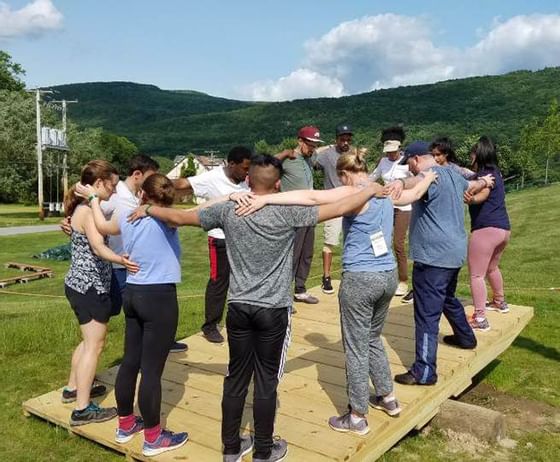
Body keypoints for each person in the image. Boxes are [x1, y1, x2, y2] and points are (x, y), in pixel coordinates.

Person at [129, 154, 384, 462]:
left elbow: (181, 218)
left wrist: (148, 208)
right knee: (266, 381)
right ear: (278, 184)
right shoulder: (287, 212)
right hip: (274, 310)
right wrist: (370, 190)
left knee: (235, 379)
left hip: (238, 308)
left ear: (248, 180)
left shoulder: (229, 209)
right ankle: (264, 450)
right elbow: (338, 207)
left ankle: (231, 448)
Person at [243, 152, 437, 435]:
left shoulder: (353, 191)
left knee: (356, 348)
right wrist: (430, 176)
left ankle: (357, 415)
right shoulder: (384, 191)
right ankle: (388, 397)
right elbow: (416, 193)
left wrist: (265, 198)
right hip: (387, 277)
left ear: (344, 173)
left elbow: (310, 198)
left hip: (360, 279)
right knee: (372, 338)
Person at [78, 173, 253, 456]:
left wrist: (93, 199)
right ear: (166, 198)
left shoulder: (126, 215)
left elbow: (100, 226)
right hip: (158, 297)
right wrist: (230, 195)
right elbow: (203, 209)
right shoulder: (167, 218)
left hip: (132, 294)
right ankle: (153, 437)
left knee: (130, 362)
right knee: (151, 371)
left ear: (143, 195)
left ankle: (125, 425)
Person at [392, 142, 495, 386]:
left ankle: (424, 371)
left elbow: (411, 183)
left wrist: (398, 183)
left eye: (409, 165)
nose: (410, 170)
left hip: (432, 257)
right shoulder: (452, 172)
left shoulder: (427, 177)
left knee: (426, 314)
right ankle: (466, 337)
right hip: (454, 252)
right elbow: (471, 185)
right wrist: (485, 182)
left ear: (416, 159)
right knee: (447, 297)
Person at [61, 155, 187, 353]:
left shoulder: (134, 197)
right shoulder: (115, 195)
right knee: (98, 330)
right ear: (137, 175)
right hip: (118, 267)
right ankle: (90, 371)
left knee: (128, 320)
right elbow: (91, 217)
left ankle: (148, 348)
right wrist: (72, 222)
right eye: (151, 177)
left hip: (125, 266)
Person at [63, 160, 139, 426]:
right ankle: (83, 408)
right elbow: (97, 247)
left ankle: (73, 388)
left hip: (78, 284)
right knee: (94, 346)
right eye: (112, 186)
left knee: (87, 342)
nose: (115, 192)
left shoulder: (84, 207)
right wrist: (121, 259)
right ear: (98, 184)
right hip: (89, 287)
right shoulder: (85, 211)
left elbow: (81, 189)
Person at [173, 146, 252, 343]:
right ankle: (210, 326)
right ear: (231, 164)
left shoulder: (246, 179)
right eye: (244, 168)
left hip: (242, 237)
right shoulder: (212, 178)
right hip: (219, 239)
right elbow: (182, 183)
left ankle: (241, 319)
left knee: (243, 280)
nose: (247, 173)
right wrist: (150, 184)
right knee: (219, 281)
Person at [465, 136, 511, 332]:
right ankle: (500, 302)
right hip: (503, 230)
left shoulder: (483, 178)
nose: (470, 157)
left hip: (485, 230)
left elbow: (478, 194)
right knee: (492, 267)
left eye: (472, 154)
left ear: (478, 155)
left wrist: (469, 199)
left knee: (476, 275)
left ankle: (480, 318)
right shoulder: (496, 174)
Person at [276, 126, 323, 304]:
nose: (313, 149)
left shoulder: (309, 159)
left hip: (309, 213)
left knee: (306, 253)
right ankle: (284, 295)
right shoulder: (288, 159)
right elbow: (264, 163)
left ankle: (300, 290)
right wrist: (284, 152)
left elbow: (326, 150)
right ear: (300, 141)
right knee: (292, 256)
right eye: (310, 145)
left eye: (315, 146)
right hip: (292, 215)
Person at [370, 126, 413, 299]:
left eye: (393, 152)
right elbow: (372, 177)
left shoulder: (407, 162)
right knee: (381, 241)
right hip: (387, 205)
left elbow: (416, 180)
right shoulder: (383, 162)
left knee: (398, 244)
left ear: (399, 148)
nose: (390, 155)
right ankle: (385, 276)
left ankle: (403, 280)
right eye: (388, 152)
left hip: (404, 207)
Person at [313, 123, 353, 294]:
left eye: (348, 139)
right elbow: (311, 156)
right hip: (333, 203)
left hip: (352, 201)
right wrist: (327, 146)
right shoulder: (327, 155)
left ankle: (350, 275)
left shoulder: (353, 154)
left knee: (352, 240)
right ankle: (326, 277)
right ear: (336, 139)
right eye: (342, 139)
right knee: (330, 241)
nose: (345, 142)